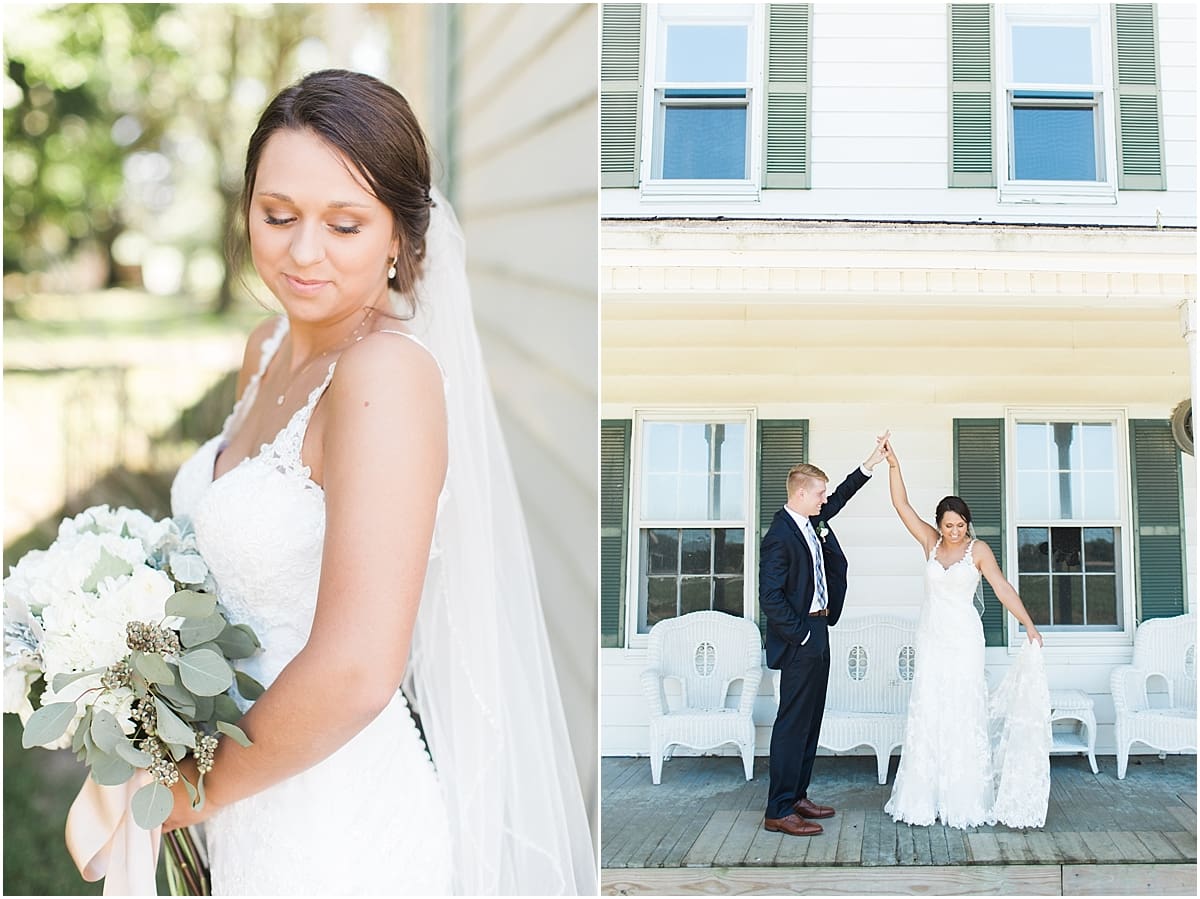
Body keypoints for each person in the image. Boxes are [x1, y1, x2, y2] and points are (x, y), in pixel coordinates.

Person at [165, 69, 595, 894]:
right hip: (245, 792)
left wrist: (173, 789)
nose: (302, 252)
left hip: (331, 823)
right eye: (277, 214)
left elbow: (360, 668)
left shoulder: (386, 377)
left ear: (399, 236)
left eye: (346, 224)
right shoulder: (266, 348)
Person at [880, 437, 1050, 830]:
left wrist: (1028, 624)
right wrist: (893, 465)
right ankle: (924, 796)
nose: (954, 531)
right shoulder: (929, 542)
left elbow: (1003, 588)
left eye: (960, 525)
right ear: (938, 525)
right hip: (932, 639)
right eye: (948, 525)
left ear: (967, 524)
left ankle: (964, 798)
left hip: (964, 642)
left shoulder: (979, 551)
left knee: (961, 711)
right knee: (930, 709)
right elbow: (901, 506)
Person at [760, 436, 889, 837]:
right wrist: (800, 636)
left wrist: (871, 461)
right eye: (818, 493)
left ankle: (797, 796)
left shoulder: (812, 519)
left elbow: (841, 498)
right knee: (791, 723)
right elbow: (770, 596)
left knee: (811, 720)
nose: (824, 499)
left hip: (819, 628)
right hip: (801, 637)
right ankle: (778, 809)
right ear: (800, 493)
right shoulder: (780, 534)